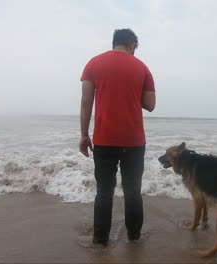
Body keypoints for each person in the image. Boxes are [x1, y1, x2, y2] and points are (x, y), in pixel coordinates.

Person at [79, 28, 156, 246]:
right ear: (132, 45)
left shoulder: (93, 64)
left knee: (104, 192)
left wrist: (84, 135)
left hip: (104, 140)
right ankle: (133, 238)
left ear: (115, 43)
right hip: (134, 142)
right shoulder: (142, 68)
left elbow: (86, 103)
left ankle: (101, 239)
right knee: (132, 191)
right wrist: (132, 91)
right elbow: (150, 105)